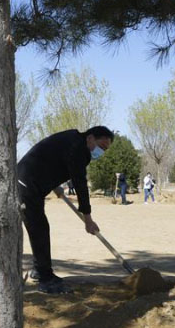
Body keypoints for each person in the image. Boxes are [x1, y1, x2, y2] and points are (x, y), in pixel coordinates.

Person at [17, 126, 114, 294]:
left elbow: (52, 159)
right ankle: (45, 278)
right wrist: (88, 219)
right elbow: (80, 183)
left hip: (29, 182)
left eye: (104, 150)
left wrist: (55, 186)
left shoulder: (72, 139)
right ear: (90, 138)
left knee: (39, 227)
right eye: (101, 147)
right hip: (26, 185)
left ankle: (40, 270)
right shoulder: (79, 149)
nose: (101, 152)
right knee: (39, 228)